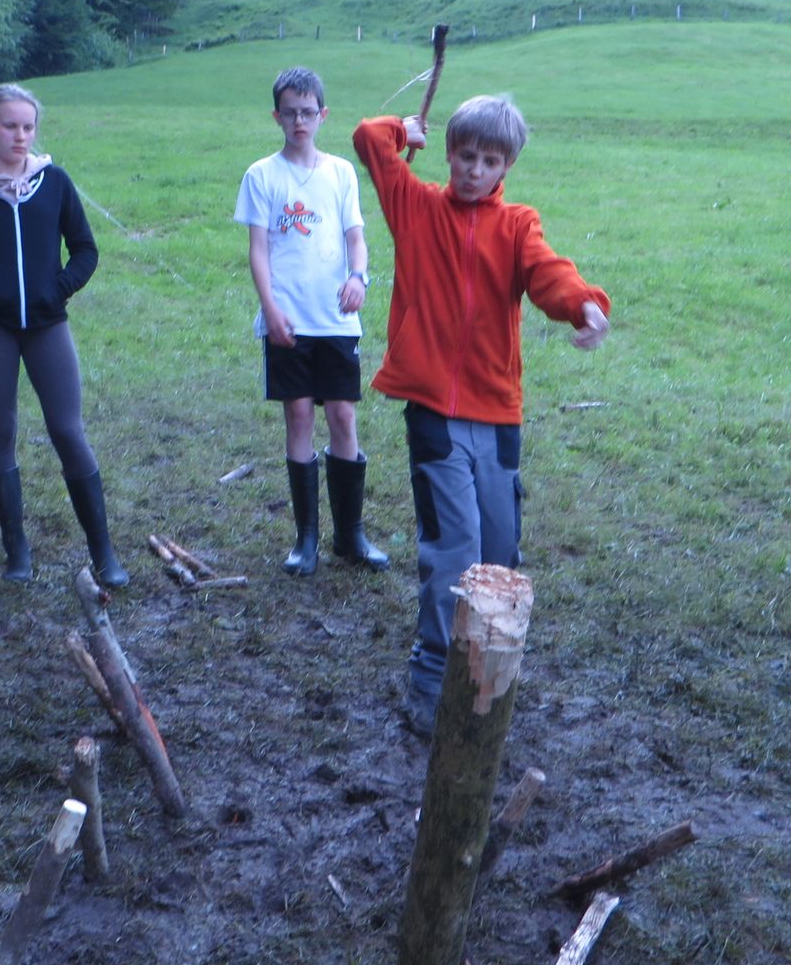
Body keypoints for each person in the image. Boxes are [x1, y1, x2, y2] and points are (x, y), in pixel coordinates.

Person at [352, 96, 610, 736]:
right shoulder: (416, 208)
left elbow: (547, 273)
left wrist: (582, 304)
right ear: (448, 153)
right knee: (454, 549)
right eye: (465, 156)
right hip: (434, 413)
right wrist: (402, 130)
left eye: (489, 161)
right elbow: (366, 138)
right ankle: (431, 676)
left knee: (498, 552)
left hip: (497, 414)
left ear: (506, 167)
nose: (474, 170)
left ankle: (487, 674)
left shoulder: (518, 224)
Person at [0, 84, 128, 587]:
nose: (20, 135)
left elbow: (85, 250)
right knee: (0, 430)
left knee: (67, 430)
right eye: (9, 126)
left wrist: (55, 290)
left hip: (48, 325)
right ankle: (16, 551)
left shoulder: (54, 182)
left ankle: (104, 552)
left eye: (28, 126)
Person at [236, 66, 388, 575]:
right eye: (290, 113)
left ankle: (351, 535)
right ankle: (306, 539)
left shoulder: (341, 172)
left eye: (307, 112)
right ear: (276, 116)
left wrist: (359, 278)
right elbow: (259, 251)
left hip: (336, 319)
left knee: (343, 416)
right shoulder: (262, 175)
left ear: (323, 115)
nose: (299, 121)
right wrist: (270, 309)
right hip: (289, 320)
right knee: (299, 416)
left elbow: (355, 238)